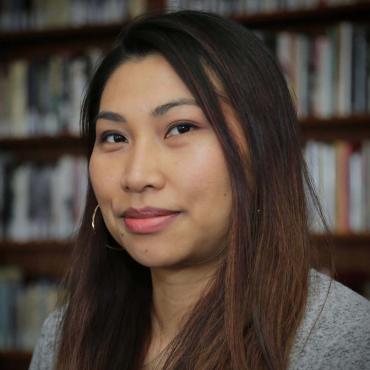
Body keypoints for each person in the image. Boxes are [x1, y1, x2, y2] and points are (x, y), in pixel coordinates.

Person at [29, 10, 370, 370]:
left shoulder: (344, 340)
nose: (137, 175)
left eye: (181, 128)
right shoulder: (64, 336)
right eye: (114, 137)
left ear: (262, 150)